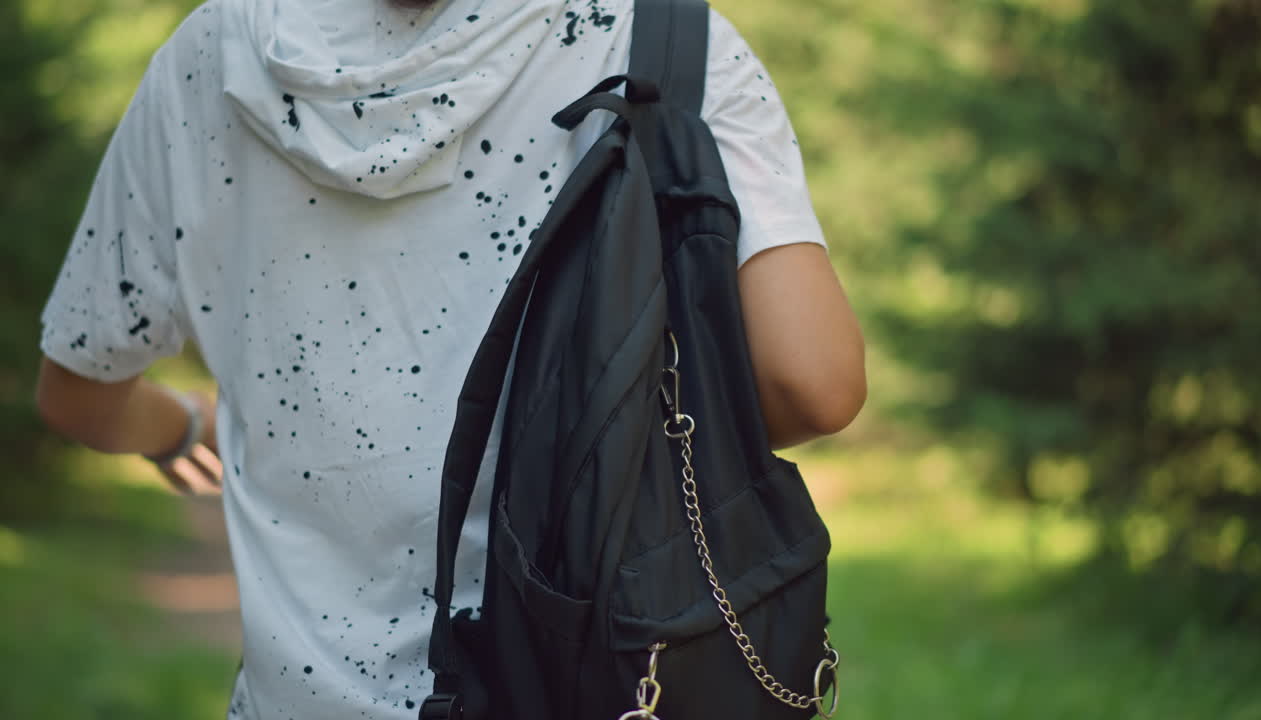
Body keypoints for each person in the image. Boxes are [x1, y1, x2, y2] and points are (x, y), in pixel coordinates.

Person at [34, 0, 866, 716]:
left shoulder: (213, 54)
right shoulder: (660, 41)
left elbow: (80, 390)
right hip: (584, 682)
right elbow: (814, 385)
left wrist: (183, 427)